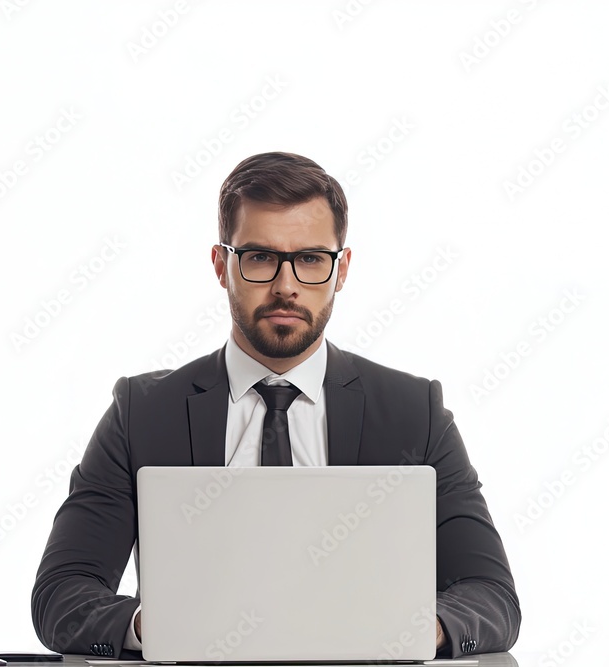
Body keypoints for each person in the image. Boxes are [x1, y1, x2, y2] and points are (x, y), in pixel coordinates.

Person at [30, 152, 521, 659]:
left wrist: (411, 628)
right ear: (222, 266)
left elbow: (492, 597)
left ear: (342, 269)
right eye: (261, 257)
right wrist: (153, 625)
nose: (286, 286)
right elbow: (62, 595)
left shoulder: (415, 413)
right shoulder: (142, 412)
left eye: (310, 259)